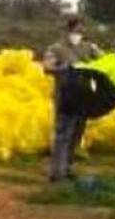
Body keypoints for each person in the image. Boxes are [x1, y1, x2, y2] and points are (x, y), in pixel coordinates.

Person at [43, 17, 102, 182]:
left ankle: (67, 168)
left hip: (83, 95)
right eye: (75, 31)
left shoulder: (88, 47)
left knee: (77, 133)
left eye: (80, 31)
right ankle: (57, 173)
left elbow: (104, 61)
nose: (78, 34)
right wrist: (64, 68)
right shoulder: (57, 48)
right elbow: (47, 67)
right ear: (68, 31)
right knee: (63, 134)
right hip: (65, 95)